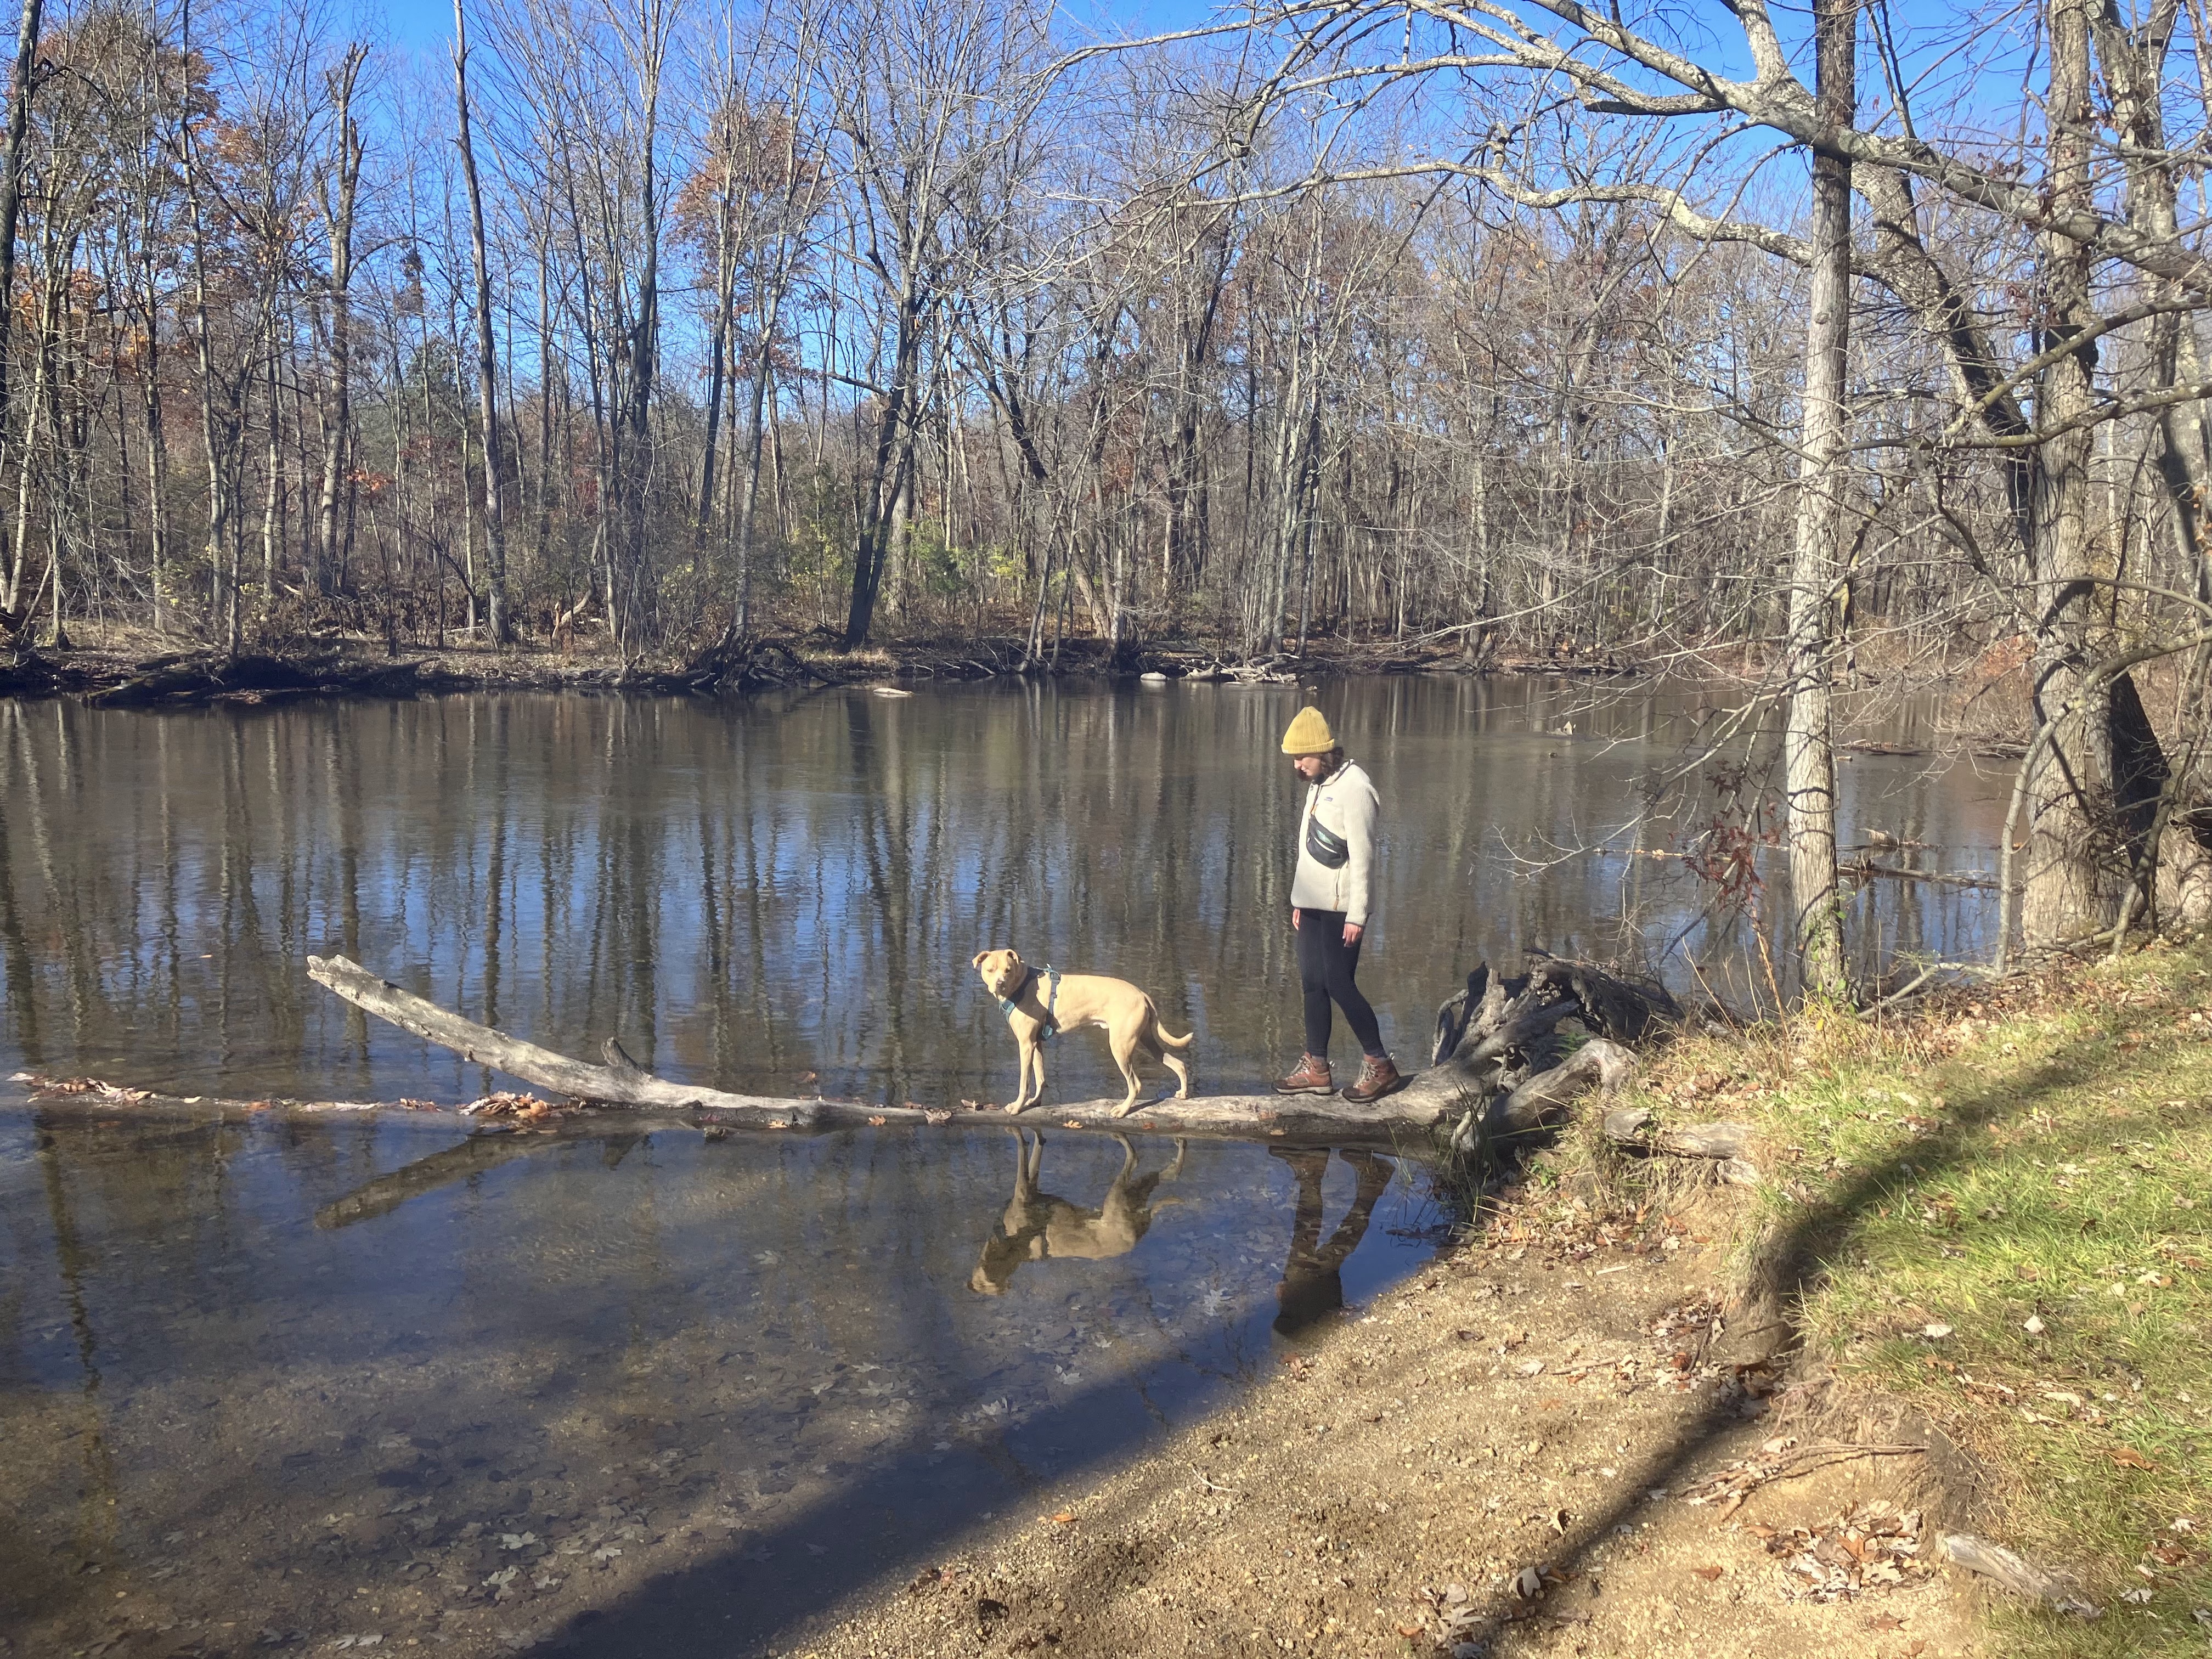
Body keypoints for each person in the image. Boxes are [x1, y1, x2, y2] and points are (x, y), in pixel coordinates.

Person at [1274, 705, 1403, 1101]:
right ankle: (1317, 1069)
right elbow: (1308, 848)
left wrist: (1358, 914)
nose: (1297, 766)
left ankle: (1381, 1066)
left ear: (1323, 753)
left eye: (1302, 758)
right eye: (1294, 759)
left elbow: (1363, 856)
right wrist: (1300, 899)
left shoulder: (1355, 787)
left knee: (1339, 985)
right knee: (1312, 984)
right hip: (1312, 903)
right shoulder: (1318, 783)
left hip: (1342, 909)